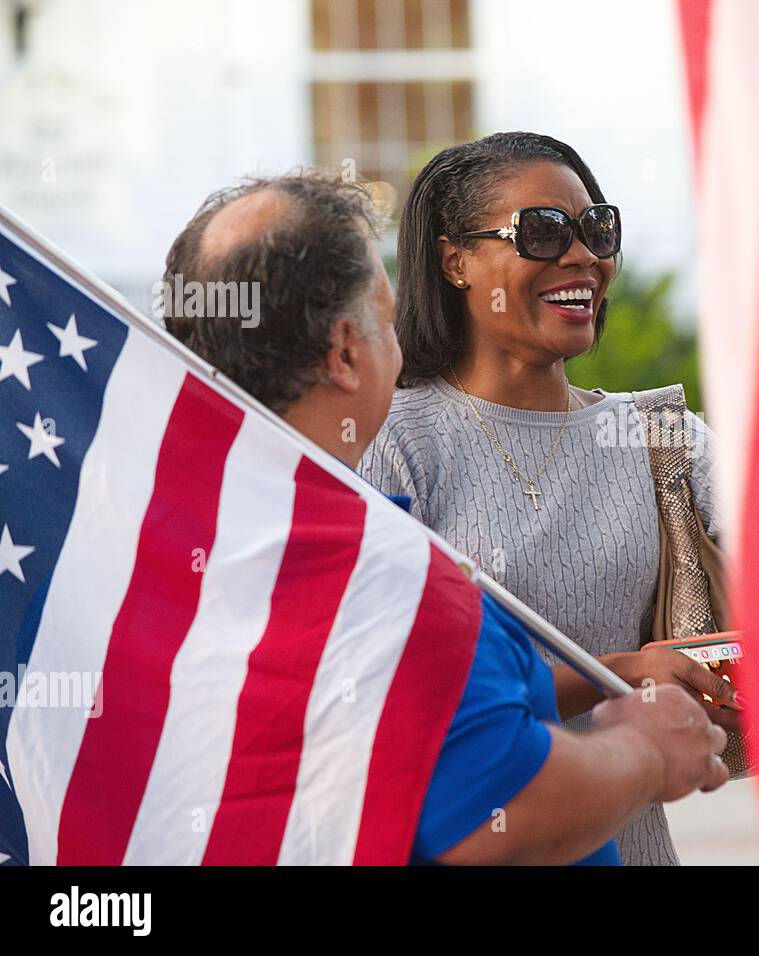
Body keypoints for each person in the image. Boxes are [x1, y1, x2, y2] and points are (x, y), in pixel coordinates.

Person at [160, 169, 728, 865]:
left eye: (597, 229)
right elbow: (498, 815)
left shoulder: (181, 551)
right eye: (382, 312)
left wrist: (616, 672)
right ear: (345, 354)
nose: (580, 255)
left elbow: (440, 702)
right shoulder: (389, 573)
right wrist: (646, 748)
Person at [361, 132, 736, 866]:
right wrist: (620, 672)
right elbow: (400, 692)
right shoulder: (392, 440)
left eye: (597, 229)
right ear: (455, 260)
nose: (581, 257)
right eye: (542, 232)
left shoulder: (664, 437)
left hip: (634, 847)